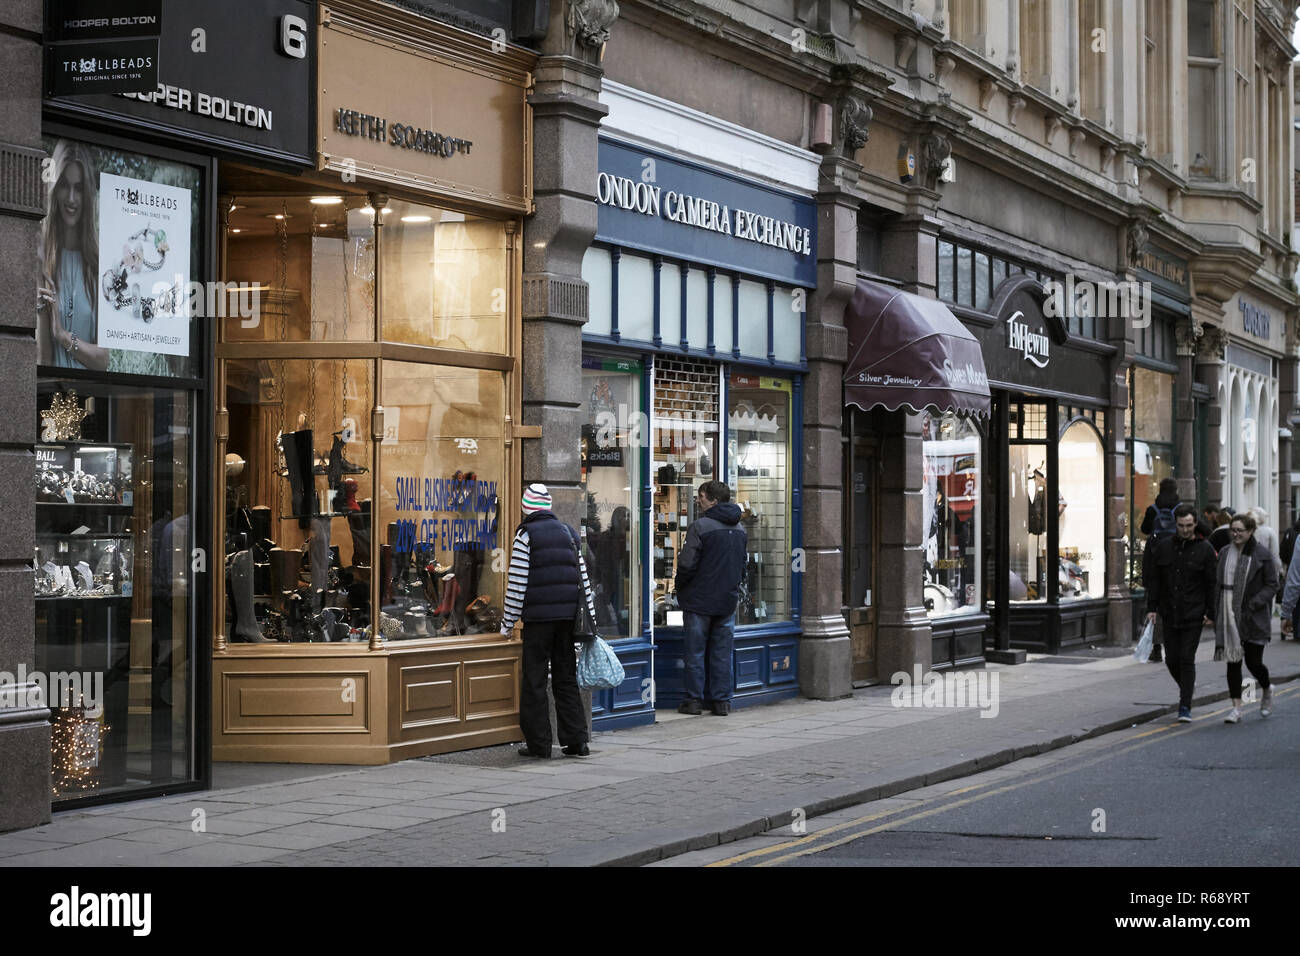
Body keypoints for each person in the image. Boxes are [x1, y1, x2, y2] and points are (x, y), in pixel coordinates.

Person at [499, 483, 599, 758]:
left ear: (526, 508)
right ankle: (577, 740)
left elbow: (517, 583)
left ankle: (539, 744)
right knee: (566, 678)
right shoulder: (568, 533)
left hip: (539, 620)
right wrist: (590, 620)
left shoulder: (526, 534)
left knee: (534, 680)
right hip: (568, 619)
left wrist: (507, 622)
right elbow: (583, 582)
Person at [674, 479, 747, 716]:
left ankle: (694, 701)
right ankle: (721, 702)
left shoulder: (700, 527)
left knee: (695, 652)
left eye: (701, 497)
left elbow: (686, 565)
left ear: (713, 500)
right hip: (726, 601)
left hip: (699, 601)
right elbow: (742, 567)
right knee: (722, 653)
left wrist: (680, 587)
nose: (698, 500)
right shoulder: (740, 529)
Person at [36, 139, 110, 372]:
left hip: (89, 399)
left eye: (78, 188)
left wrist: (63, 337)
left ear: (87, 194)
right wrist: (43, 315)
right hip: (46, 399)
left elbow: (104, 360)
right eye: (64, 185)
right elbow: (43, 361)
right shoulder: (40, 257)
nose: (70, 198)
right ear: (55, 188)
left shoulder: (98, 265)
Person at [1145, 505, 1217, 722]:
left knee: (1187, 658)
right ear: (1175, 525)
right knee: (1171, 659)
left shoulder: (1205, 549)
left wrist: (1211, 613)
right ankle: (1188, 686)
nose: (1185, 530)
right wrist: (1152, 607)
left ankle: (1184, 705)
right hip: (1169, 611)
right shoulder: (1165, 547)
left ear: (1195, 524)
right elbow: (1155, 579)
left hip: (1193, 613)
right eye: (1180, 526)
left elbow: (1211, 584)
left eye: (1188, 525)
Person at [1138, 477, 1210, 662]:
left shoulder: (1152, 510)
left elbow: (1145, 529)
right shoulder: (1181, 510)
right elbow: (1206, 529)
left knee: (1156, 604)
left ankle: (1156, 647)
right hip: (1178, 558)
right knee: (1175, 599)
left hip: (1154, 559)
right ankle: (1178, 640)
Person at [1215, 512, 1277, 724]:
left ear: (1250, 532)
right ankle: (1237, 709)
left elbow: (1272, 585)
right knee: (1233, 663)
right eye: (1232, 530)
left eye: (1240, 530)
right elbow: (1218, 584)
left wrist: (1254, 603)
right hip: (1228, 615)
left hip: (1253, 616)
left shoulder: (1262, 554)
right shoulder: (1224, 552)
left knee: (1253, 663)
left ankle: (1267, 688)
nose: (1235, 534)